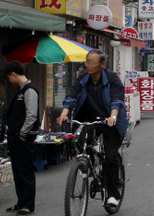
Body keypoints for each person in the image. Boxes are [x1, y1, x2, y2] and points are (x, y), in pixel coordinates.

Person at [57, 50, 128, 209]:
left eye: (91, 61)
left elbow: (117, 99)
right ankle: (89, 164)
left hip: (110, 122)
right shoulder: (83, 78)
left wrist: (113, 116)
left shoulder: (111, 78)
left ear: (102, 64)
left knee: (110, 157)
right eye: (86, 61)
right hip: (89, 121)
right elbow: (72, 95)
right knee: (82, 143)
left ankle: (112, 195)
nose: (86, 64)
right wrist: (64, 113)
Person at [4, 61, 41, 215]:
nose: (9, 81)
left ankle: (28, 204)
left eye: (9, 77)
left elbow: (31, 115)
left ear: (13, 74)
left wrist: (22, 134)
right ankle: (20, 202)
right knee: (17, 171)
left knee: (25, 171)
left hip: (23, 138)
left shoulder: (29, 90)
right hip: (15, 138)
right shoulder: (21, 90)